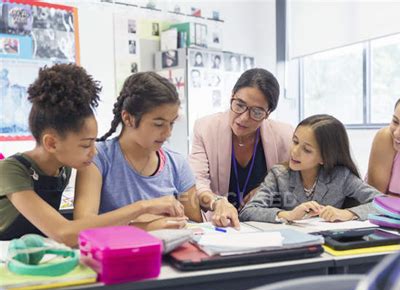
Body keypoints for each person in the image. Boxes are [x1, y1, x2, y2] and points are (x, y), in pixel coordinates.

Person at [0, 64, 182, 246]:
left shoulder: (63, 169)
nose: (94, 151)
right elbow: (65, 234)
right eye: (86, 145)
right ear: (51, 143)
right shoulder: (11, 170)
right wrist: (144, 206)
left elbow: (80, 229)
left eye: (93, 142)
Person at [74, 71, 202, 230]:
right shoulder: (96, 158)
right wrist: (146, 222)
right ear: (128, 118)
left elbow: (195, 223)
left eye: (172, 123)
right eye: (158, 124)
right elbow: (83, 226)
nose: (168, 133)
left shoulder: (177, 164)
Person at [189, 68, 294, 228]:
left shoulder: (284, 135)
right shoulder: (206, 128)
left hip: (266, 224)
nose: (244, 118)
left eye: (257, 112)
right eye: (239, 105)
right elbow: (197, 182)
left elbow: (295, 178)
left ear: (268, 113)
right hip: (221, 224)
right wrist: (216, 202)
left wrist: (267, 188)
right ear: (232, 96)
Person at [240, 114, 382, 223]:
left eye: (307, 150)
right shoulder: (279, 175)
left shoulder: (341, 177)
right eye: (295, 141)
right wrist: (288, 215)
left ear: (324, 157)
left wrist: (348, 214)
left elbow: (385, 204)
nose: (294, 152)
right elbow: (248, 211)